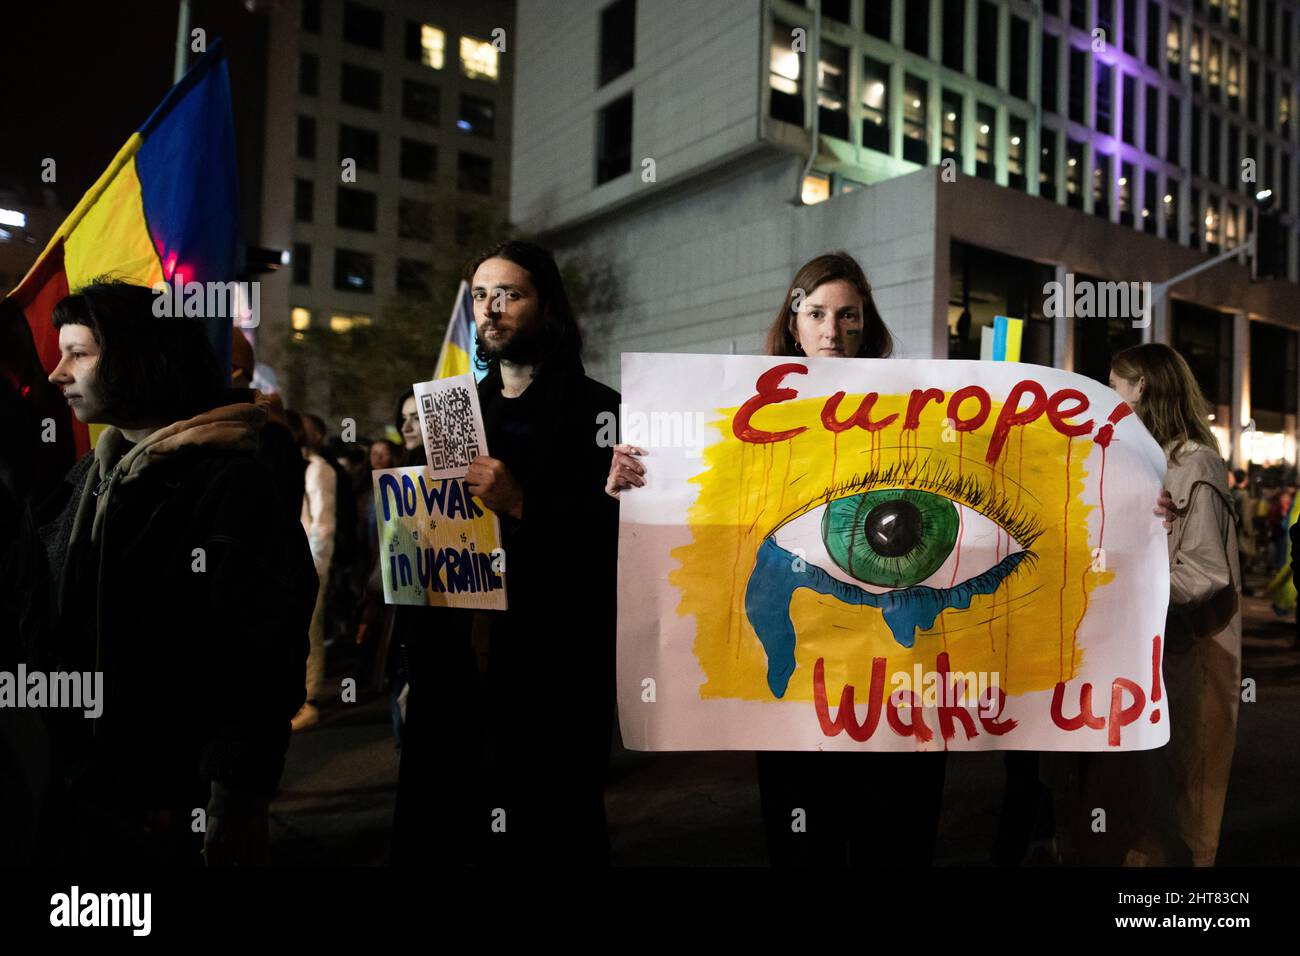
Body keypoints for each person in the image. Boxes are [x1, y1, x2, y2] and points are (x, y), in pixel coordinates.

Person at [608, 251, 947, 867]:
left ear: (866, 324)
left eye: (848, 315)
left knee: (894, 850)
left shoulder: (918, 407)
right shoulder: (745, 415)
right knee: (805, 849)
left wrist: (1146, 506)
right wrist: (636, 475)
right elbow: (697, 502)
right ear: (794, 324)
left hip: (895, 677)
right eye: (816, 313)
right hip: (794, 688)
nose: (832, 329)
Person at [30, 280, 315, 865]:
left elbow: (260, 656)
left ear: (140, 357)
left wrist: (233, 799)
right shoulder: (86, 477)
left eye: (78, 353)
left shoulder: (232, 485)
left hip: (170, 802)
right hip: (83, 789)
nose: (58, 373)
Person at [392, 240, 620, 865]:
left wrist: (524, 504)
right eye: (481, 296)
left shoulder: (600, 410)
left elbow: (618, 536)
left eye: (509, 294)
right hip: (455, 668)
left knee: (549, 826)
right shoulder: (451, 410)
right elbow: (438, 539)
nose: (490, 309)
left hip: (553, 667)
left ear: (547, 308)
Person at [1106, 343, 1241, 866]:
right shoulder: (1149, 457)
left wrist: (1129, 596)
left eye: (1114, 383)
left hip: (1192, 654)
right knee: (1149, 800)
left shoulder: (1194, 461)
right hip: (1156, 654)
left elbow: (1206, 572)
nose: (1109, 396)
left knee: (1191, 797)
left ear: (1142, 387)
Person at [289, 410, 337, 732]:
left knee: (309, 634)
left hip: (309, 564)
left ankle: (310, 701)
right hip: (292, 563)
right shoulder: (290, 467)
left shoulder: (317, 469)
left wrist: (316, 567)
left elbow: (322, 524)